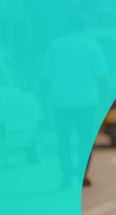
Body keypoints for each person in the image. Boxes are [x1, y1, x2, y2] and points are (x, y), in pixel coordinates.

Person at [41, 15, 109, 188]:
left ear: (67, 25)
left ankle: (66, 176)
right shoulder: (92, 46)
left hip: (61, 101)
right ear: (83, 26)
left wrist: (43, 98)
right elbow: (101, 77)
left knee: (63, 140)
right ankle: (82, 173)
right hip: (87, 101)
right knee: (86, 140)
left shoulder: (55, 45)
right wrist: (105, 99)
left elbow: (46, 76)